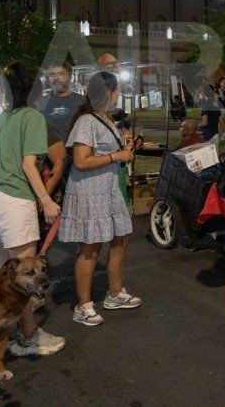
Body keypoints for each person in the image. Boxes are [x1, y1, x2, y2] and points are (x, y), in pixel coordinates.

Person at [0, 62, 65, 356]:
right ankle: (28, 336)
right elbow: (29, 165)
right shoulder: (32, 117)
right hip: (14, 201)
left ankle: (11, 333)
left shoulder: (4, 117)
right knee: (26, 278)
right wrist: (47, 200)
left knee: (9, 277)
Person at [61, 71, 142, 326]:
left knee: (122, 238)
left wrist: (125, 149)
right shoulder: (86, 121)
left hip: (109, 189)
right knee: (90, 249)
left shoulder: (104, 119)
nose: (119, 95)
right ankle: (83, 305)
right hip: (89, 191)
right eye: (117, 90)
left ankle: (115, 293)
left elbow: (110, 153)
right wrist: (115, 157)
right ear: (108, 93)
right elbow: (80, 161)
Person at [37, 60, 83, 138]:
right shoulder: (40, 103)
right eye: (52, 74)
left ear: (70, 77)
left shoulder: (82, 101)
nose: (56, 78)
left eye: (61, 74)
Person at [199, 73, 225, 140]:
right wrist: (219, 136)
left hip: (208, 136)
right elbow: (221, 122)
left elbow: (205, 123)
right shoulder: (216, 106)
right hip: (215, 135)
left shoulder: (205, 106)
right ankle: (221, 135)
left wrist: (198, 125)